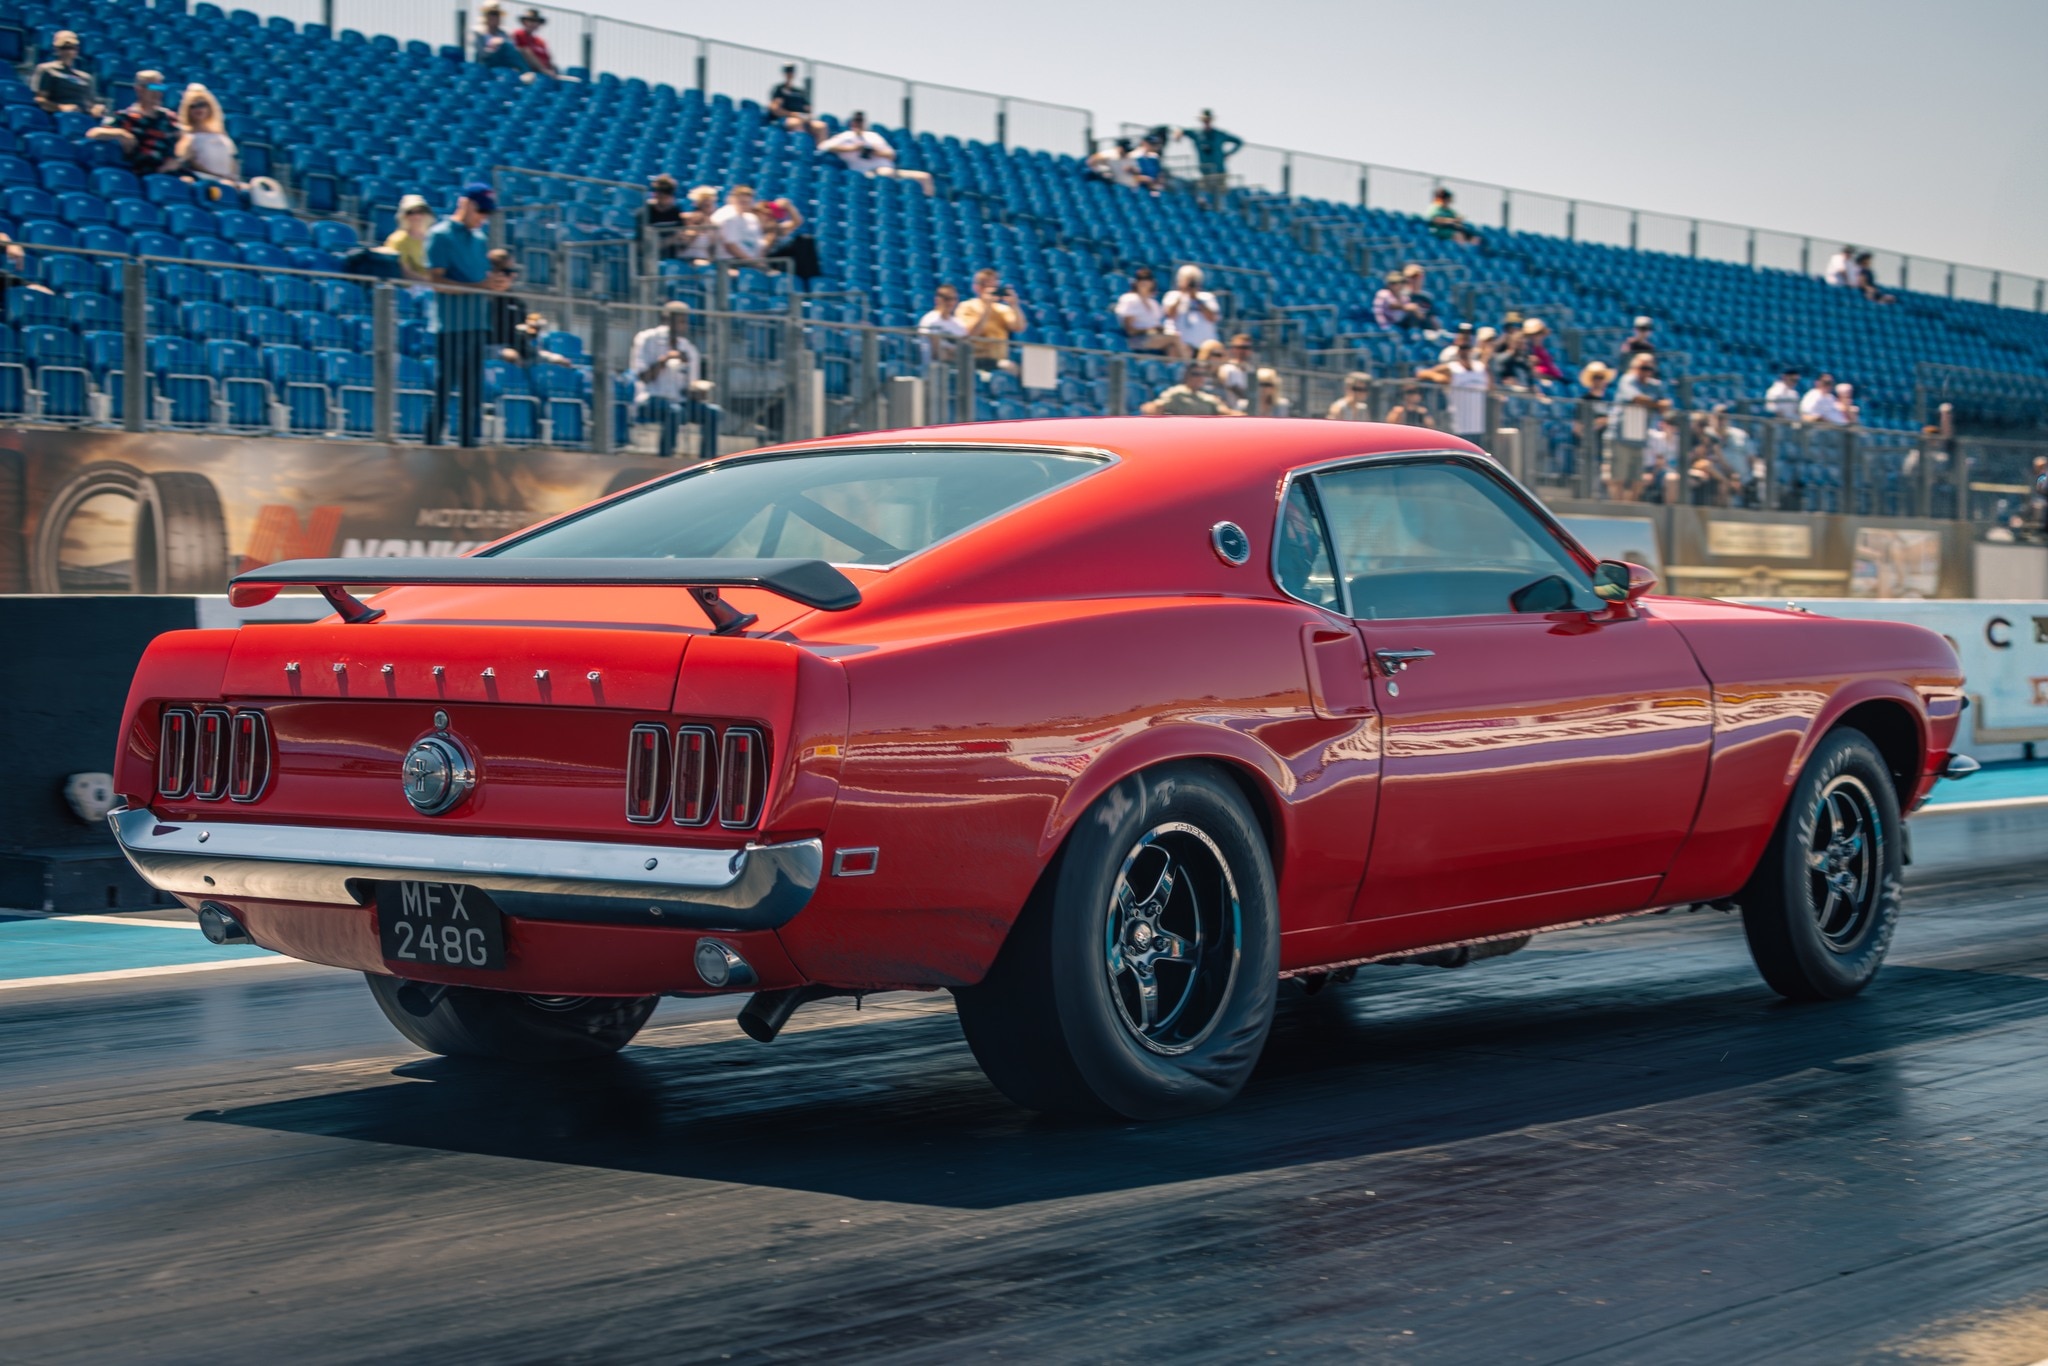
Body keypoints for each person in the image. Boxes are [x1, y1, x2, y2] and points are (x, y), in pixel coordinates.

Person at [425, 183, 503, 448]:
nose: (483, 217)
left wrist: (495, 284)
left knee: (473, 393)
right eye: (481, 210)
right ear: (466, 204)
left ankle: (469, 444)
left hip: (476, 324)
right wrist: (480, 287)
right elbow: (437, 282)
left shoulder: (480, 239)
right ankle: (431, 443)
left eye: (487, 213)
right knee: (445, 389)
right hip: (450, 326)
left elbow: (480, 279)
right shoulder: (441, 235)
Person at [632, 300, 721, 459]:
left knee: (712, 412)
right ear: (667, 320)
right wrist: (664, 360)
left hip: (679, 401)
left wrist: (698, 393)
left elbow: (688, 388)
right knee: (674, 411)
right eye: (680, 321)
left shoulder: (688, 349)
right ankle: (665, 458)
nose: (684, 326)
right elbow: (642, 377)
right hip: (649, 399)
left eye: (685, 321)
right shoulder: (646, 339)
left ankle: (708, 460)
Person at [86, 71, 182, 176]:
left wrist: (178, 160)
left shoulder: (169, 117)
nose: (158, 92)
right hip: (140, 175)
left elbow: (187, 140)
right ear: (139, 89)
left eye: (160, 88)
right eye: (153, 87)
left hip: (170, 174)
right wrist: (120, 133)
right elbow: (93, 134)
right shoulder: (125, 116)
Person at [816, 111, 934, 196]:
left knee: (925, 177)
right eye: (856, 121)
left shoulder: (873, 136)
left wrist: (876, 151)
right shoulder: (845, 137)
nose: (859, 124)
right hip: (865, 172)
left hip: (889, 169)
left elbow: (891, 155)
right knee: (886, 173)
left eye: (861, 121)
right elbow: (823, 146)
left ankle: (927, 204)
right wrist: (853, 148)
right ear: (852, 123)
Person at [1607, 353, 1666, 500]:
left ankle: (1631, 510)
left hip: (1640, 438)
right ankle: (1616, 509)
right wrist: (1656, 404)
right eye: (1642, 368)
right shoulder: (1627, 380)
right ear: (1634, 367)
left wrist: (1656, 404)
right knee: (1618, 477)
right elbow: (1636, 398)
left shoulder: (1655, 385)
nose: (1645, 372)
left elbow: (1665, 405)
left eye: (1649, 368)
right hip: (1621, 436)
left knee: (1637, 479)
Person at [955, 268, 1025, 373]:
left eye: (994, 287)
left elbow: (1019, 327)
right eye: (987, 286)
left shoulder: (1003, 309)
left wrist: (1014, 305)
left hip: (999, 360)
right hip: (975, 359)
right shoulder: (966, 306)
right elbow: (970, 333)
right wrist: (986, 309)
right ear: (977, 287)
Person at [173, 84, 239, 187]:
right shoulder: (185, 133)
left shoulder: (221, 132)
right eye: (192, 106)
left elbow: (232, 159)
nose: (198, 109)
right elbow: (190, 162)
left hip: (228, 180)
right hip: (203, 180)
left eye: (202, 104)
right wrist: (217, 176)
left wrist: (233, 177)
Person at [1113, 267, 1179, 356]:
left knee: (1172, 347)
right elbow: (1130, 331)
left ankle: (1174, 368)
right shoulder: (1130, 299)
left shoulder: (1153, 303)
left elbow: (1157, 326)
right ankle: (1190, 366)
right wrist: (1149, 330)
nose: (1144, 281)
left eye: (1148, 279)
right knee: (1175, 338)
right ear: (1136, 282)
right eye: (1140, 279)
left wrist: (1158, 329)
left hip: (1153, 338)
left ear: (1152, 282)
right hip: (1136, 340)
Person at [33, 31, 99, 115]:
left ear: (77, 50)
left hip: (84, 116)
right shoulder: (47, 69)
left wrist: (95, 109)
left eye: (72, 48)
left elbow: (91, 103)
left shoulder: (86, 77)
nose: (68, 51)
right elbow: (40, 99)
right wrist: (60, 107)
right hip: (61, 117)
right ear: (56, 49)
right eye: (64, 48)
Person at [761, 197, 821, 286]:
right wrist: (771, 235)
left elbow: (798, 221)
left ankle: (811, 279)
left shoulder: (778, 228)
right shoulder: (756, 229)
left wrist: (789, 207)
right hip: (770, 261)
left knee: (805, 240)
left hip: (784, 260)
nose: (770, 218)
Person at [1141, 364, 1242, 416]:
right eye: (1195, 374)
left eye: (1202, 375)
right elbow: (1154, 407)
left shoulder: (1208, 397)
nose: (1199, 378)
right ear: (1187, 376)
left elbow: (1225, 412)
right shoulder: (1176, 393)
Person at [1163, 265, 1220, 354]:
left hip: (1204, 347)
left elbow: (1212, 318)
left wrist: (1196, 299)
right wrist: (1182, 295)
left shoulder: (1207, 297)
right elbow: (1170, 315)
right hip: (1180, 346)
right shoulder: (1172, 296)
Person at [1186, 109, 1242, 196]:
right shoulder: (1196, 133)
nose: (1206, 122)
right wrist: (1178, 132)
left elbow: (1239, 141)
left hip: (1219, 172)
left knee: (1221, 196)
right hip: (1205, 173)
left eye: (1208, 120)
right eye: (1204, 120)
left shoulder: (1219, 134)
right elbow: (1179, 130)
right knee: (1204, 194)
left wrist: (1229, 153)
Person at [382, 194, 435, 281]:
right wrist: (430, 283)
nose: (416, 216)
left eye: (420, 212)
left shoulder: (432, 238)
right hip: (408, 287)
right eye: (411, 212)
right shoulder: (398, 239)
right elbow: (404, 272)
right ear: (404, 216)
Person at [710, 184, 765, 265]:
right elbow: (731, 246)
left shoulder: (752, 217)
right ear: (732, 199)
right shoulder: (728, 216)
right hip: (731, 262)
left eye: (747, 202)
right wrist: (755, 263)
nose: (744, 204)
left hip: (752, 261)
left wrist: (760, 261)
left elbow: (759, 243)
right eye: (741, 202)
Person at [766, 64, 823, 139]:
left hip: (802, 119)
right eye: (788, 71)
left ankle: (821, 148)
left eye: (791, 71)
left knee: (821, 126)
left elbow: (808, 109)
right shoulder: (779, 89)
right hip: (784, 120)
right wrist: (793, 114)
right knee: (797, 123)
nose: (790, 73)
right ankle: (800, 145)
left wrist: (807, 117)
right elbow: (774, 108)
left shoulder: (799, 92)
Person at [917, 283, 969, 363]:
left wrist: (950, 352)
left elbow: (965, 350)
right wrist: (954, 352)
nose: (950, 302)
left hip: (958, 370)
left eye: (954, 299)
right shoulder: (930, 320)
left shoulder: (959, 324)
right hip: (934, 369)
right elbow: (936, 353)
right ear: (937, 300)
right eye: (947, 298)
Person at [471, 1, 530, 71]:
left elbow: (513, 50)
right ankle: (525, 71)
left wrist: (502, 42)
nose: (494, 17)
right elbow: (481, 54)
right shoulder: (477, 33)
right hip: (485, 64)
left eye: (496, 14)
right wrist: (491, 46)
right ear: (485, 16)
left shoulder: (504, 33)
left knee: (511, 47)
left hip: (502, 64)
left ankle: (524, 71)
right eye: (491, 14)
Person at [641, 175, 686, 259]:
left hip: (672, 258)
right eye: (661, 196)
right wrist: (670, 240)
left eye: (667, 196)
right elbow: (643, 244)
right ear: (656, 195)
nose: (665, 199)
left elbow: (681, 237)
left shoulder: (675, 211)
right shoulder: (646, 212)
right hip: (651, 259)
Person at [512, 9, 559, 77]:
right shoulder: (519, 34)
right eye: (531, 20)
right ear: (524, 22)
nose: (534, 23)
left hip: (544, 73)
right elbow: (525, 52)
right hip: (527, 73)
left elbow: (549, 60)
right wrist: (543, 70)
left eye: (536, 21)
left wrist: (553, 70)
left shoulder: (540, 41)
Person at [1216, 333, 1256, 408]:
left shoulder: (1251, 369)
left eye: (1247, 347)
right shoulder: (1227, 368)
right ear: (1233, 349)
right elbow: (1237, 390)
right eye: (1240, 347)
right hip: (1231, 411)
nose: (1243, 350)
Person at [1522, 318, 1563, 383]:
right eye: (1533, 335)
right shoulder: (1527, 350)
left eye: (1539, 333)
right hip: (1543, 380)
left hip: (1554, 378)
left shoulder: (1542, 348)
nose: (1537, 337)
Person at [1400, 264, 1439, 331]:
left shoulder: (1426, 297)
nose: (1415, 280)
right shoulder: (1402, 296)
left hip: (1427, 332)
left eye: (1418, 276)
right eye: (1412, 277)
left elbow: (1432, 318)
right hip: (1408, 331)